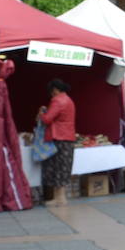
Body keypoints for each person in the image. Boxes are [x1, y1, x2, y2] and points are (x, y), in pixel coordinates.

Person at [40, 78, 77, 207]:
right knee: (64, 167)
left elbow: (47, 119)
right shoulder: (68, 100)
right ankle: (60, 197)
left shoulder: (57, 101)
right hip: (68, 137)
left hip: (59, 137)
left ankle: (59, 198)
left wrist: (41, 114)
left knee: (57, 168)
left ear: (55, 90)